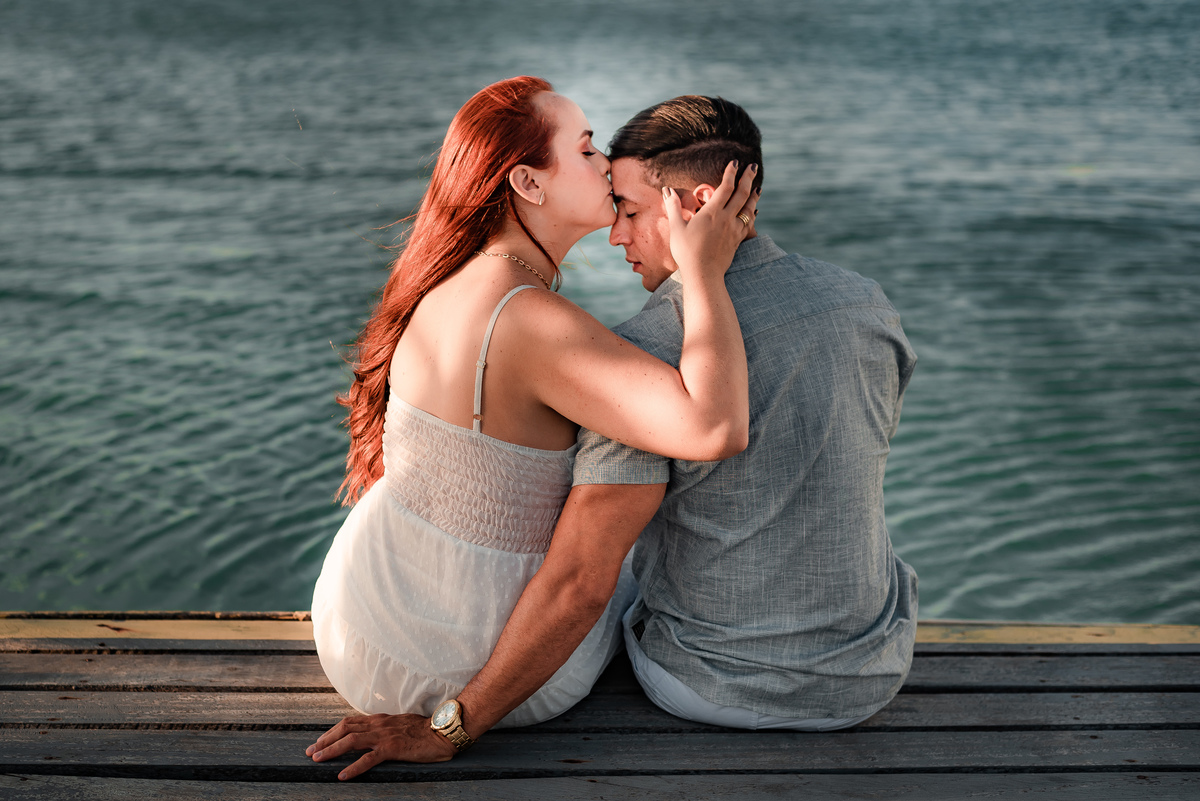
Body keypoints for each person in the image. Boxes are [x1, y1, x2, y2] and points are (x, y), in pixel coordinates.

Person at [308, 94, 918, 778]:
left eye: (629, 210)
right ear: (527, 182)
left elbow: (582, 580)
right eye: (588, 150)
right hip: (870, 672)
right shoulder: (866, 302)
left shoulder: (634, 345)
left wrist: (455, 727)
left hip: (705, 684)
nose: (616, 231)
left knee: (609, 539)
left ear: (698, 207)